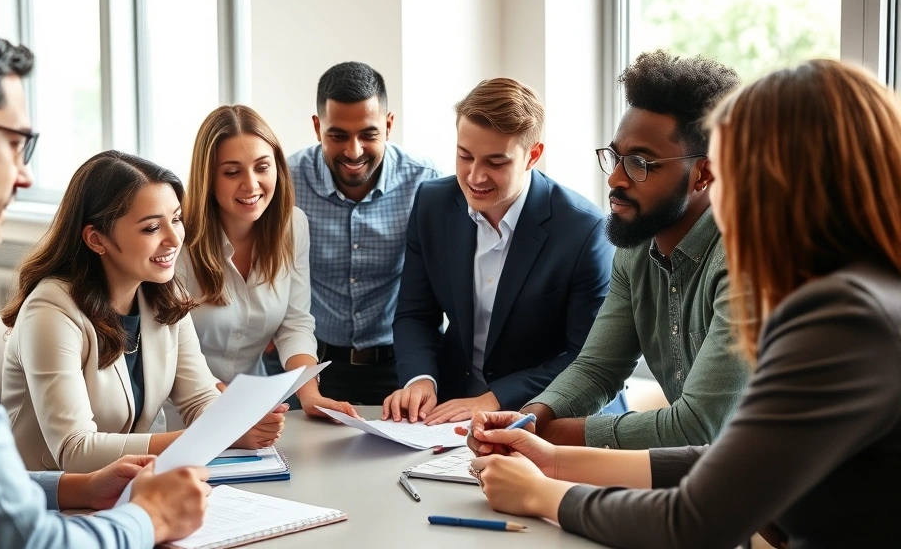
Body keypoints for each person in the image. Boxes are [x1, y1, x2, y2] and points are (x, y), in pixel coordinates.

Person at [465, 59, 901, 548]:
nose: (723, 193)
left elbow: (696, 518)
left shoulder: (845, 318)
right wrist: (550, 459)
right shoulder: (861, 296)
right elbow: (732, 465)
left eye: (733, 170)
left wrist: (546, 496)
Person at [0, 0, 208, 547]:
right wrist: (149, 519)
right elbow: (17, 541)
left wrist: (68, 490)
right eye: (15, 144)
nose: (25, 177)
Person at [1, 150, 287, 473]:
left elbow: (199, 399)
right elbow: (75, 450)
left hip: (129, 488)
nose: (174, 239)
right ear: (97, 239)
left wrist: (237, 423)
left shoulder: (163, 293)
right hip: (49, 502)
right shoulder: (50, 311)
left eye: (176, 219)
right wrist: (209, 437)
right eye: (151, 228)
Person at [520, 50, 750, 448]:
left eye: (640, 164)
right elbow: (596, 369)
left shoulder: (747, 259)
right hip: (702, 478)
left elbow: (698, 429)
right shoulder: (636, 247)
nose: (615, 179)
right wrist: (530, 418)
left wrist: (549, 436)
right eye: (615, 157)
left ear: (704, 174)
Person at [382, 77, 615, 424]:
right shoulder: (432, 203)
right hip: (449, 408)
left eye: (496, 162)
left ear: (532, 155)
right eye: (465, 156)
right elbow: (416, 312)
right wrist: (420, 379)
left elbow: (585, 358)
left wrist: (495, 399)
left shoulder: (584, 230)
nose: (475, 176)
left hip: (547, 412)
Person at [177, 104, 357, 419]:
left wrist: (310, 394)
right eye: (232, 172)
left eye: (262, 167)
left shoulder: (293, 226)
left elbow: (295, 324)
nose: (251, 184)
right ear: (208, 177)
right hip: (183, 412)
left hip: (255, 410)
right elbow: (171, 353)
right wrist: (232, 405)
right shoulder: (178, 237)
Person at [287, 61, 441, 405]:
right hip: (311, 366)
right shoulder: (286, 181)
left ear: (388, 125)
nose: (353, 151)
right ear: (317, 127)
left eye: (368, 135)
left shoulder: (427, 181)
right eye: (338, 135)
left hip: (400, 368)